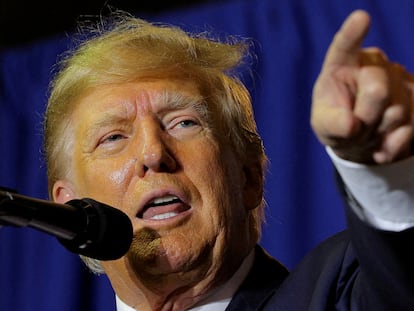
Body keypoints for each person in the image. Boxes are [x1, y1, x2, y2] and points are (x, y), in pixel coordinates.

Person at [43, 8, 414, 310]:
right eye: (114, 137)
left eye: (183, 122)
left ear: (249, 177)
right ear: (72, 208)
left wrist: (384, 166)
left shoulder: (339, 293)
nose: (153, 154)